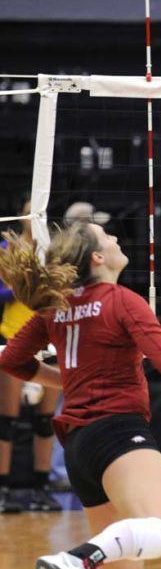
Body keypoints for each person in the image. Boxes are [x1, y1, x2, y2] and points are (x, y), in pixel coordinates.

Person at [0, 222, 161, 569]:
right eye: (106, 237)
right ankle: (78, 559)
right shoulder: (120, 299)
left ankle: (85, 559)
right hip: (118, 434)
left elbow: (13, 360)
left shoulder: (55, 306)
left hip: (79, 447)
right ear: (97, 258)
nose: (114, 239)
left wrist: (65, 381)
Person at [0, 197, 61, 512]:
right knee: (6, 421)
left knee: (45, 421)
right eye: (26, 210)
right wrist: (22, 284)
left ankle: (41, 489)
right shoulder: (6, 248)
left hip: (48, 341)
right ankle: (4, 490)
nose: (32, 215)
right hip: (11, 338)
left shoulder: (54, 251)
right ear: (21, 215)